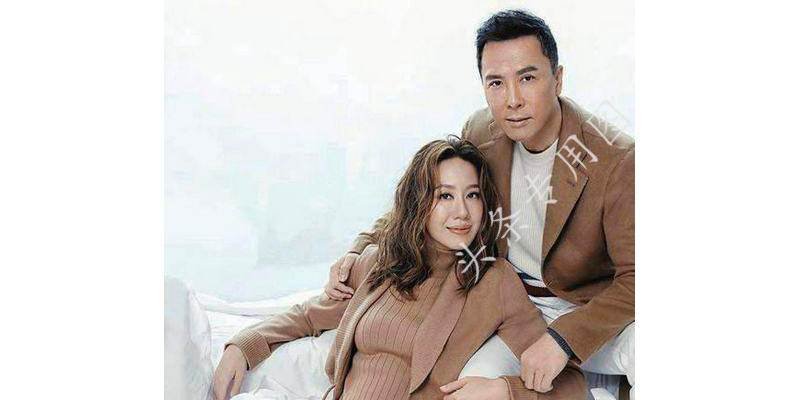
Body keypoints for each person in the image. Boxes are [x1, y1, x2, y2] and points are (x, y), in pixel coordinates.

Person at [326, 10, 635, 400]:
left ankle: (605, 381)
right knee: (469, 389)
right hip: (511, 305)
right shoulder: (482, 131)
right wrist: (361, 247)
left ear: (557, 79)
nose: (513, 100)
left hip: (590, 310)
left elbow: (637, 279)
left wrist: (564, 340)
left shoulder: (617, 158)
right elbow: (423, 202)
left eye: (527, 78)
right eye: (496, 83)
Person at [212, 137, 586, 400]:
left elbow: (569, 382)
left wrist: (504, 390)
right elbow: (307, 317)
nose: (461, 212)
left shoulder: (493, 280)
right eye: (445, 195)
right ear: (419, 201)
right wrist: (244, 346)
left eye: (472, 195)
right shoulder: (380, 262)